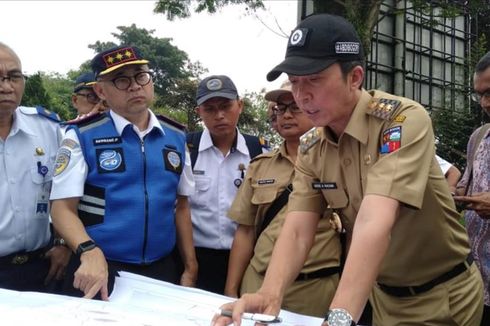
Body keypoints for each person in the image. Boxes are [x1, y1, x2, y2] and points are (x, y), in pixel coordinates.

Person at [213, 13, 483, 326]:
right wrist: (272, 293)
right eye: (296, 83)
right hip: (383, 297)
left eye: (314, 79)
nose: (302, 96)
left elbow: (374, 220)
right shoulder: (313, 146)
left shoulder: (401, 121)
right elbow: (298, 228)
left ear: (354, 77)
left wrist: (340, 316)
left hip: (444, 295)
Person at [50, 45, 197, 300]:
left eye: (141, 76)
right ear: (100, 90)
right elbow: (61, 208)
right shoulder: (82, 136)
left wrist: (191, 267)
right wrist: (88, 250)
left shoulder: (175, 136)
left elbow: (182, 206)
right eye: (121, 80)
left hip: (162, 271)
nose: (135, 86)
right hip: (99, 269)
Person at [224, 81, 341, 317]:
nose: (286, 115)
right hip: (258, 282)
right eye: (280, 108)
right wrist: (230, 289)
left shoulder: (340, 161)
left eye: (295, 106)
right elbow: (245, 231)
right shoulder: (260, 166)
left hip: (314, 290)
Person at [0, 42, 70, 292]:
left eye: (14, 77)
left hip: (42, 268)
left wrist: (64, 243)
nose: (7, 87)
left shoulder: (49, 129)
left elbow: (68, 193)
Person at [188, 74, 267, 294]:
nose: (219, 115)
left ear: (239, 105)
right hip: (196, 258)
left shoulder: (260, 151)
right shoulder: (186, 150)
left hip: (248, 259)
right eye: (210, 109)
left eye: (226, 106)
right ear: (199, 113)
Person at [454, 51, 490, 326]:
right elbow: (463, 187)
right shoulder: (477, 138)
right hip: (475, 287)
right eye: (479, 94)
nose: (484, 102)